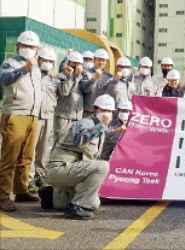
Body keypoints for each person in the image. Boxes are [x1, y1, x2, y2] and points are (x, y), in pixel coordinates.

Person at [39, 94, 115, 220]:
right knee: (102, 166)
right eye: (103, 110)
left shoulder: (101, 129)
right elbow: (78, 140)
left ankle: (51, 196)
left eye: (110, 111)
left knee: (95, 202)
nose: (107, 114)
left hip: (72, 170)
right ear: (95, 110)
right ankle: (78, 207)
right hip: (60, 168)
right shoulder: (85, 123)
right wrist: (101, 126)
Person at [0, 30, 42, 211]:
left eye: (32, 46)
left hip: (33, 116)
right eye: (25, 45)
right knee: (9, 157)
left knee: (26, 157)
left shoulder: (38, 67)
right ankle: (2, 195)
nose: (28, 49)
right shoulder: (10, 63)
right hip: (15, 115)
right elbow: (4, 79)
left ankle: (21, 189)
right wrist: (24, 69)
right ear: (18, 46)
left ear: (37, 48)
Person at [28, 47, 58, 192]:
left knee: (44, 149)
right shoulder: (32, 75)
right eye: (44, 60)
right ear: (38, 60)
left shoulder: (54, 79)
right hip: (34, 115)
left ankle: (40, 177)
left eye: (50, 61)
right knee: (31, 148)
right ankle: (28, 179)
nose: (47, 63)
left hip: (49, 116)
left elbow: (63, 92)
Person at [53, 51, 90, 145]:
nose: (76, 66)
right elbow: (64, 91)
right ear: (69, 63)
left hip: (77, 118)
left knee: (71, 145)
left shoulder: (84, 78)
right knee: (58, 143)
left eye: (79, 64)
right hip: (63, 117)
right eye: (74, 63)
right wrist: (73, 76)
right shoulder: (61, 76)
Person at [81, 48, 113, 117]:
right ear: (94, 60)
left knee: (101, 128)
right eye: (99, 60)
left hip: (102, 113)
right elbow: (84, 89)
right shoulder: (86, 73)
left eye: (103, 60)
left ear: (106, 62)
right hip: (88, 112)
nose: (101, 62)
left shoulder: (109, 77)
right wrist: (94, 78)